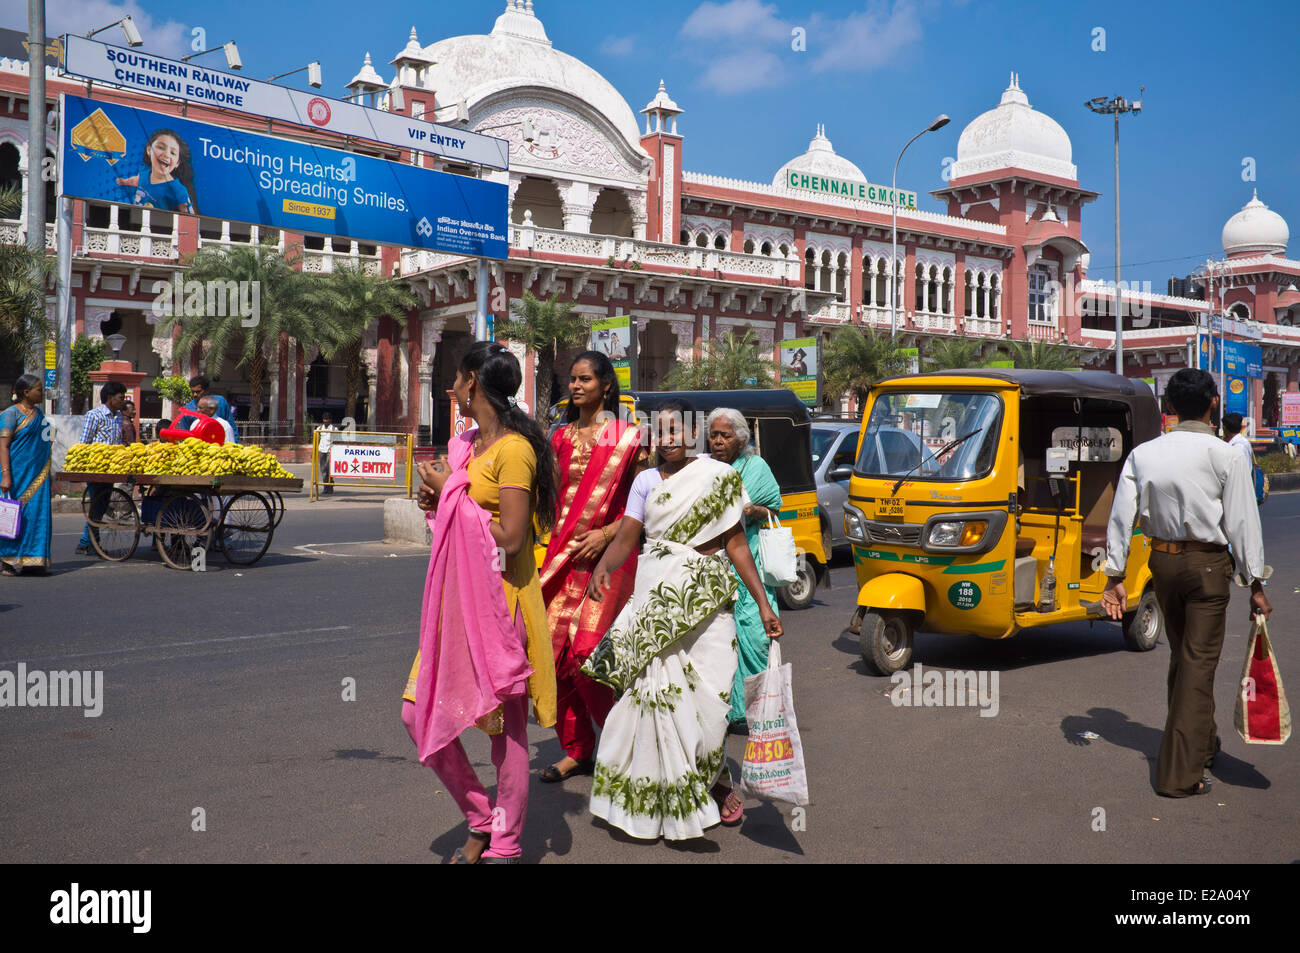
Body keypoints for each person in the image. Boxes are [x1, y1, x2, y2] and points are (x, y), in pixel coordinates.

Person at [583, 398, 783, 839]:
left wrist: (765, 605)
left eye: (678, 430)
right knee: (653, 702)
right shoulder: (645, 481)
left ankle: (712, 777)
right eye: (661, 431)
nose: (669, 438)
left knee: (710, 706)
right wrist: (603, 566)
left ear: (693, 435)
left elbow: (736, 545)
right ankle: (675, 798)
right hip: (657, 601)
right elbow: (628, 537)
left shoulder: (720, 478)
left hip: (710, 603)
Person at [400, 341, 558, 864]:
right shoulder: (466, 443)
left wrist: (452, 495)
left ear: (474, 383)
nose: (450, 385)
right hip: (455, 602)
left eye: (456, 377)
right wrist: (437, 500)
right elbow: (457, 512)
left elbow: (512, 537)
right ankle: (481, 816)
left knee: (503, 733)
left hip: (500, 602)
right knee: (415, 710)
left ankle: (506, 843)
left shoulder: (515, 450)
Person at [1101, 368, 1272, 798]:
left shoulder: (1144, 454)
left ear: (1170, 408)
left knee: (1184, 657)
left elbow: (1122, 517)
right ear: (1214, 403)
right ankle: (1179, 774)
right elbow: (1242, 523)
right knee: (1197, 664)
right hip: (1208, 568)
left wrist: (1115, 576)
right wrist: (1255, 584)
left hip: (1163, 565)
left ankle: (1204, 742)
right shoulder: (1225, 454)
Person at [537, 352, 646, 783]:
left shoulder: (628, 438)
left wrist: (606, 535)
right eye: (573, 379)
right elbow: (544, 497)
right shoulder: (559, 438)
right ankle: (578, 749)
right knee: (554, 654)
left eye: (585, 379)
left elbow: (651, 502)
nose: (576, 385)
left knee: (587, 654)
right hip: (562, 555)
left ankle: (627, 741)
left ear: (606, 386)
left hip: (609, 557)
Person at [707, 407, 782, 733]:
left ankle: (760, 709)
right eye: (714, 434)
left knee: (754, 637)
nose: (718, 441)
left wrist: (752, 509)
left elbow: (774, 509)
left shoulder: (756, 467)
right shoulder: (703, 469)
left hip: (749, 566)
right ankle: (729, 712)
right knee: (719, 645)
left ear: (741, 437)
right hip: (714, 569)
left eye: (725, 435)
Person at [0, 375, 52, 575]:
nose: (42, 393)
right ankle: (8, 560)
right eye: (39, 390)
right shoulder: (10, 414)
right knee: (13, 516)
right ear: (26, 392)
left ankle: (33, 561)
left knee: (36, 516)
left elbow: (45, 444)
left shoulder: (39, 415)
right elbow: (3, 446)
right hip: (16, 474)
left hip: (38, 475)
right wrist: (6, 476)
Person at [76, 381, 126, 556]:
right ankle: (87, 542)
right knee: (97, 505)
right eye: (121, 398)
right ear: (110, 398)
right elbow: (84, 442)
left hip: (112, 468)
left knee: (102, 505)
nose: (123, 401)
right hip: (96, 468)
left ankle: (86, 543)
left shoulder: (119, 416)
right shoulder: (94, 415)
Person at [115, 128, 197, 214]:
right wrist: (122, 181)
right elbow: (134, 180)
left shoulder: (178, 189)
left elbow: (190, 215)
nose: (166, 154)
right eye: (161, 147)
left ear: (177, 163)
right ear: (149, 150)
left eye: (172, 153)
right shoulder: (145, 173)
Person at [184, 375, 239, 441]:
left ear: (207, 390)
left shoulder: (221, 402)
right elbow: (184, 434)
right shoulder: (187, 409)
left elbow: (232, 427)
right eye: (193, 392)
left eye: (198, 392)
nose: (195, 395)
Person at [316, 413, 338, 496]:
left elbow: (337, 440)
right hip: (322, 450)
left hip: (330, 451)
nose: (325, 421)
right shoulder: (319, 428)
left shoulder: (334, 429)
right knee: (323, 470)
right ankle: (326, 487)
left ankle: (330, 485)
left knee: (328, 469)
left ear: (330, 420)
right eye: (324, 419)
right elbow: (317, 440)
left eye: (327, 419)